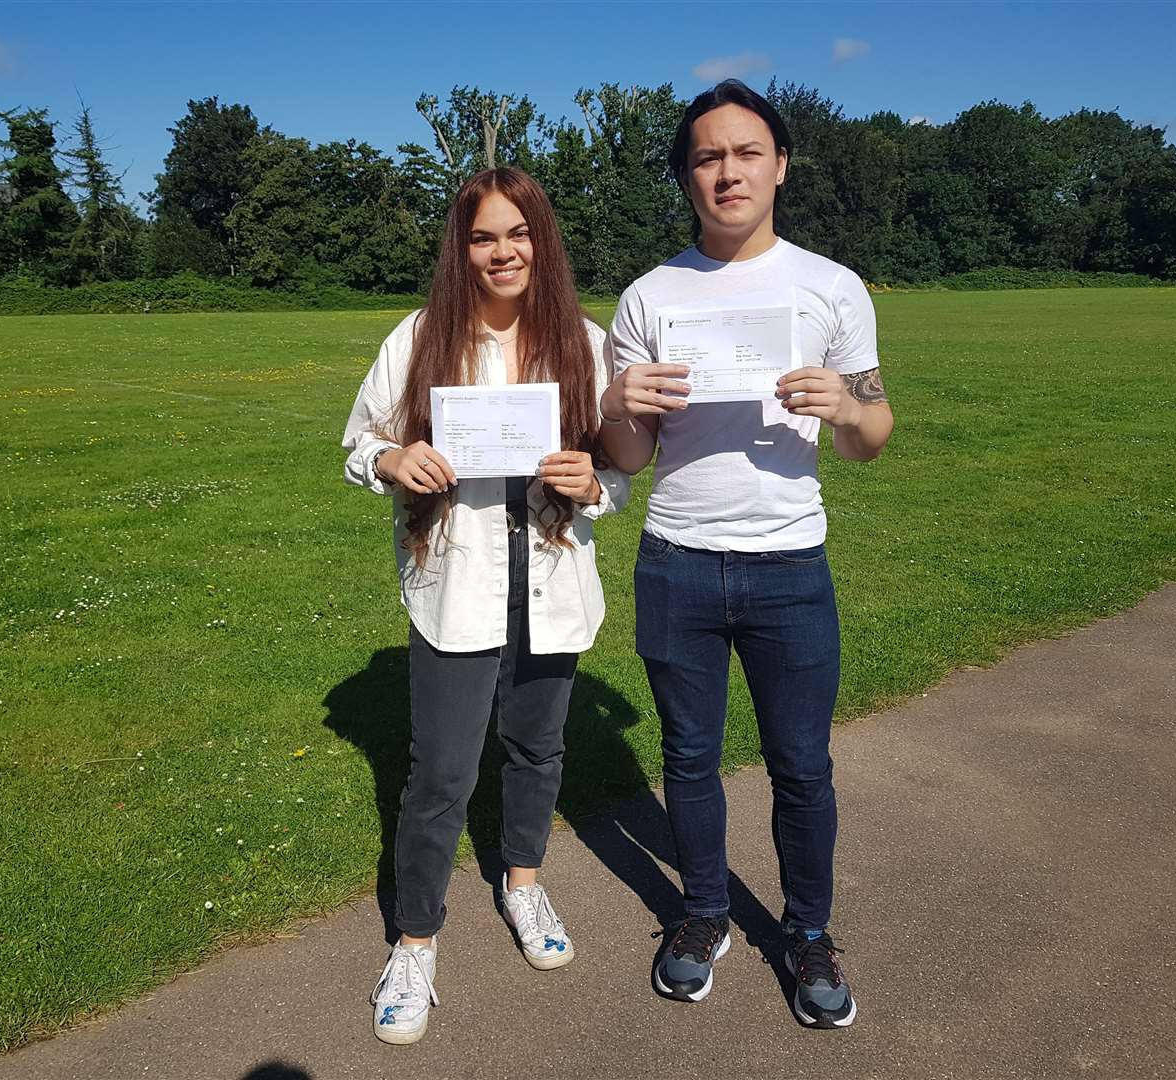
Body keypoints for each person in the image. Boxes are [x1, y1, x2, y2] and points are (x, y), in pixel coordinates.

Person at [599, 79, 894, 1027]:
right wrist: (624, 408)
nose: (728, 171)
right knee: (688, 761)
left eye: (746, 152)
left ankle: (808, 932)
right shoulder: (649, 297)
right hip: (677, 558)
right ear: (687, 175)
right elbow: (629, 461)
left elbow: (872, 433)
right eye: (707, 157)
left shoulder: (831, 287)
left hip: (789, 567)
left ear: (780, 165)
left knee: (802, 766)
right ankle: (705, 914)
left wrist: (846, 407)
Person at [342, 167, 627, 1045]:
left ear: (541, 241)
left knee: (538, 748)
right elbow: (360, 441)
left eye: (517, 233)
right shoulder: (423, 338)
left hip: (548, 579)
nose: (502, 251)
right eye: (481, 237)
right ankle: (415, 940)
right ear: (460, 249)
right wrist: (394, 462)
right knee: (441, 776)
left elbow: (617, 465)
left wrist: (596, 484)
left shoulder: (584, 341)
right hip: (455, 585)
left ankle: (523, 883)